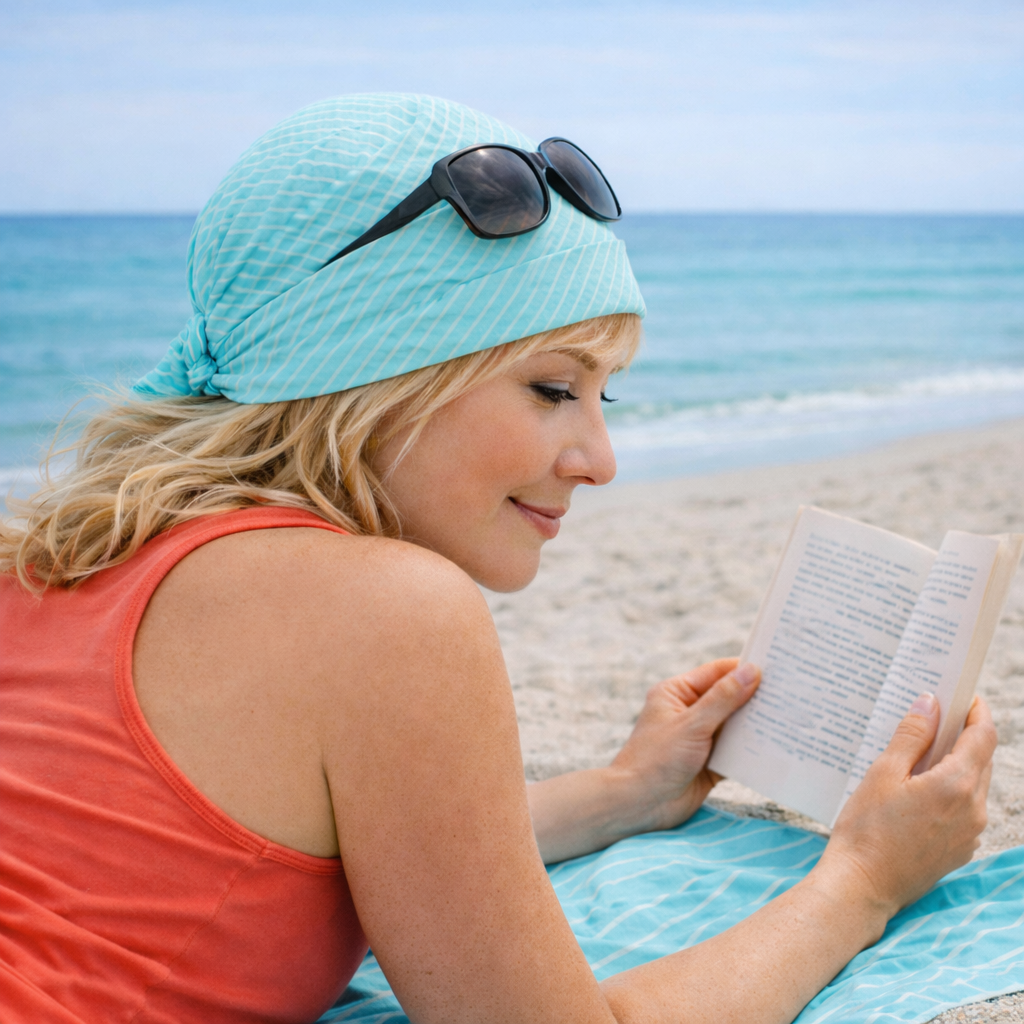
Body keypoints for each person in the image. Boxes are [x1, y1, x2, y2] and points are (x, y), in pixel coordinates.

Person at [0, 94, 995, 1024]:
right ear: (374, 375)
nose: (598, 461)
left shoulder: (57, 558)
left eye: (608, 397)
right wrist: (864, 878)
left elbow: (285, 847)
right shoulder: (386, 611)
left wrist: (620, 792)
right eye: (553, 389)